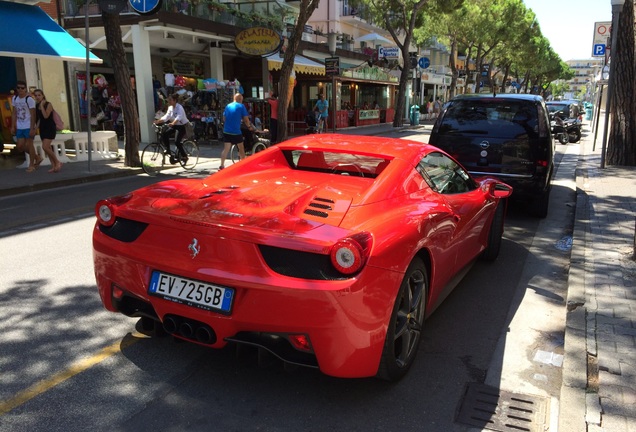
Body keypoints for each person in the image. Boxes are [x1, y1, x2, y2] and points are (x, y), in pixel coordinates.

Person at [10, 81, 42, 172]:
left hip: (28, 125)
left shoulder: (29, 99)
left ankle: (31, 164)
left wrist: (32, 128)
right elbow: (14, 113)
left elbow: (33, 114)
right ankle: (37, 157)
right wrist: (13, 125)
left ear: (25, 89)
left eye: (22, 88)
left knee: (30, 144)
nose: (20, 90)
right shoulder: (15, 98)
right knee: (20, 146)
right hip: (20, 125)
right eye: (18, 88)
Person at [219, 93, 255, 170]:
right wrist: (249, 127)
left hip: (227, 131)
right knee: (241, 148)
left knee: (226, 149)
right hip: (236, 131)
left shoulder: (228, 106)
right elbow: (246, 119)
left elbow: (224, 118)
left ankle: (221, 165)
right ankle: (244, 164)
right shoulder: (241, 106)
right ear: (240, 100)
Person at [153, 94, 189, 162]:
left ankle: (184, 156)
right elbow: (167, 116)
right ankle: (168, 150)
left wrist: (173, 123)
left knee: (177, 142)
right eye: (168, 100)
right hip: (174, 125)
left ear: (175, 100)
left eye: (170, 100)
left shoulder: (179, 108)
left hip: (182, 126)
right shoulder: (170, 108)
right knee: (164, 134)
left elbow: (179, 117)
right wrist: (158, 121)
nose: (169, 101)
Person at [33, 89, 62, 173]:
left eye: (39, 95)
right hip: (43, 128)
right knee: (48, 148)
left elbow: (46, 116)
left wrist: (42, 106)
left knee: (45, 147)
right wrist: (35, 128)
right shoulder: (37, 105)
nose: (37, 97)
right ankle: (53, 166)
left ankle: (57, 162)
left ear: (43, 95)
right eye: (36, 95)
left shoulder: (48, 104)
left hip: (50, 127)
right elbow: (39, 119)